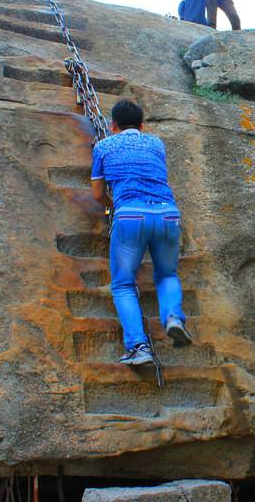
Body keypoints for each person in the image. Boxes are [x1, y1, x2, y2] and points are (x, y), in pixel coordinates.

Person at [90, 100, 192, 366]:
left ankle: (138, 346)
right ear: (142, 125)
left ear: (112, 126)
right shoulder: (156, 144)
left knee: (123, 284)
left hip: (130, 216)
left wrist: (112, 206)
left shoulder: (103, 146)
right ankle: (172, 317)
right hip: (168, 214)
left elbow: (98, 194)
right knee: (167, 274)